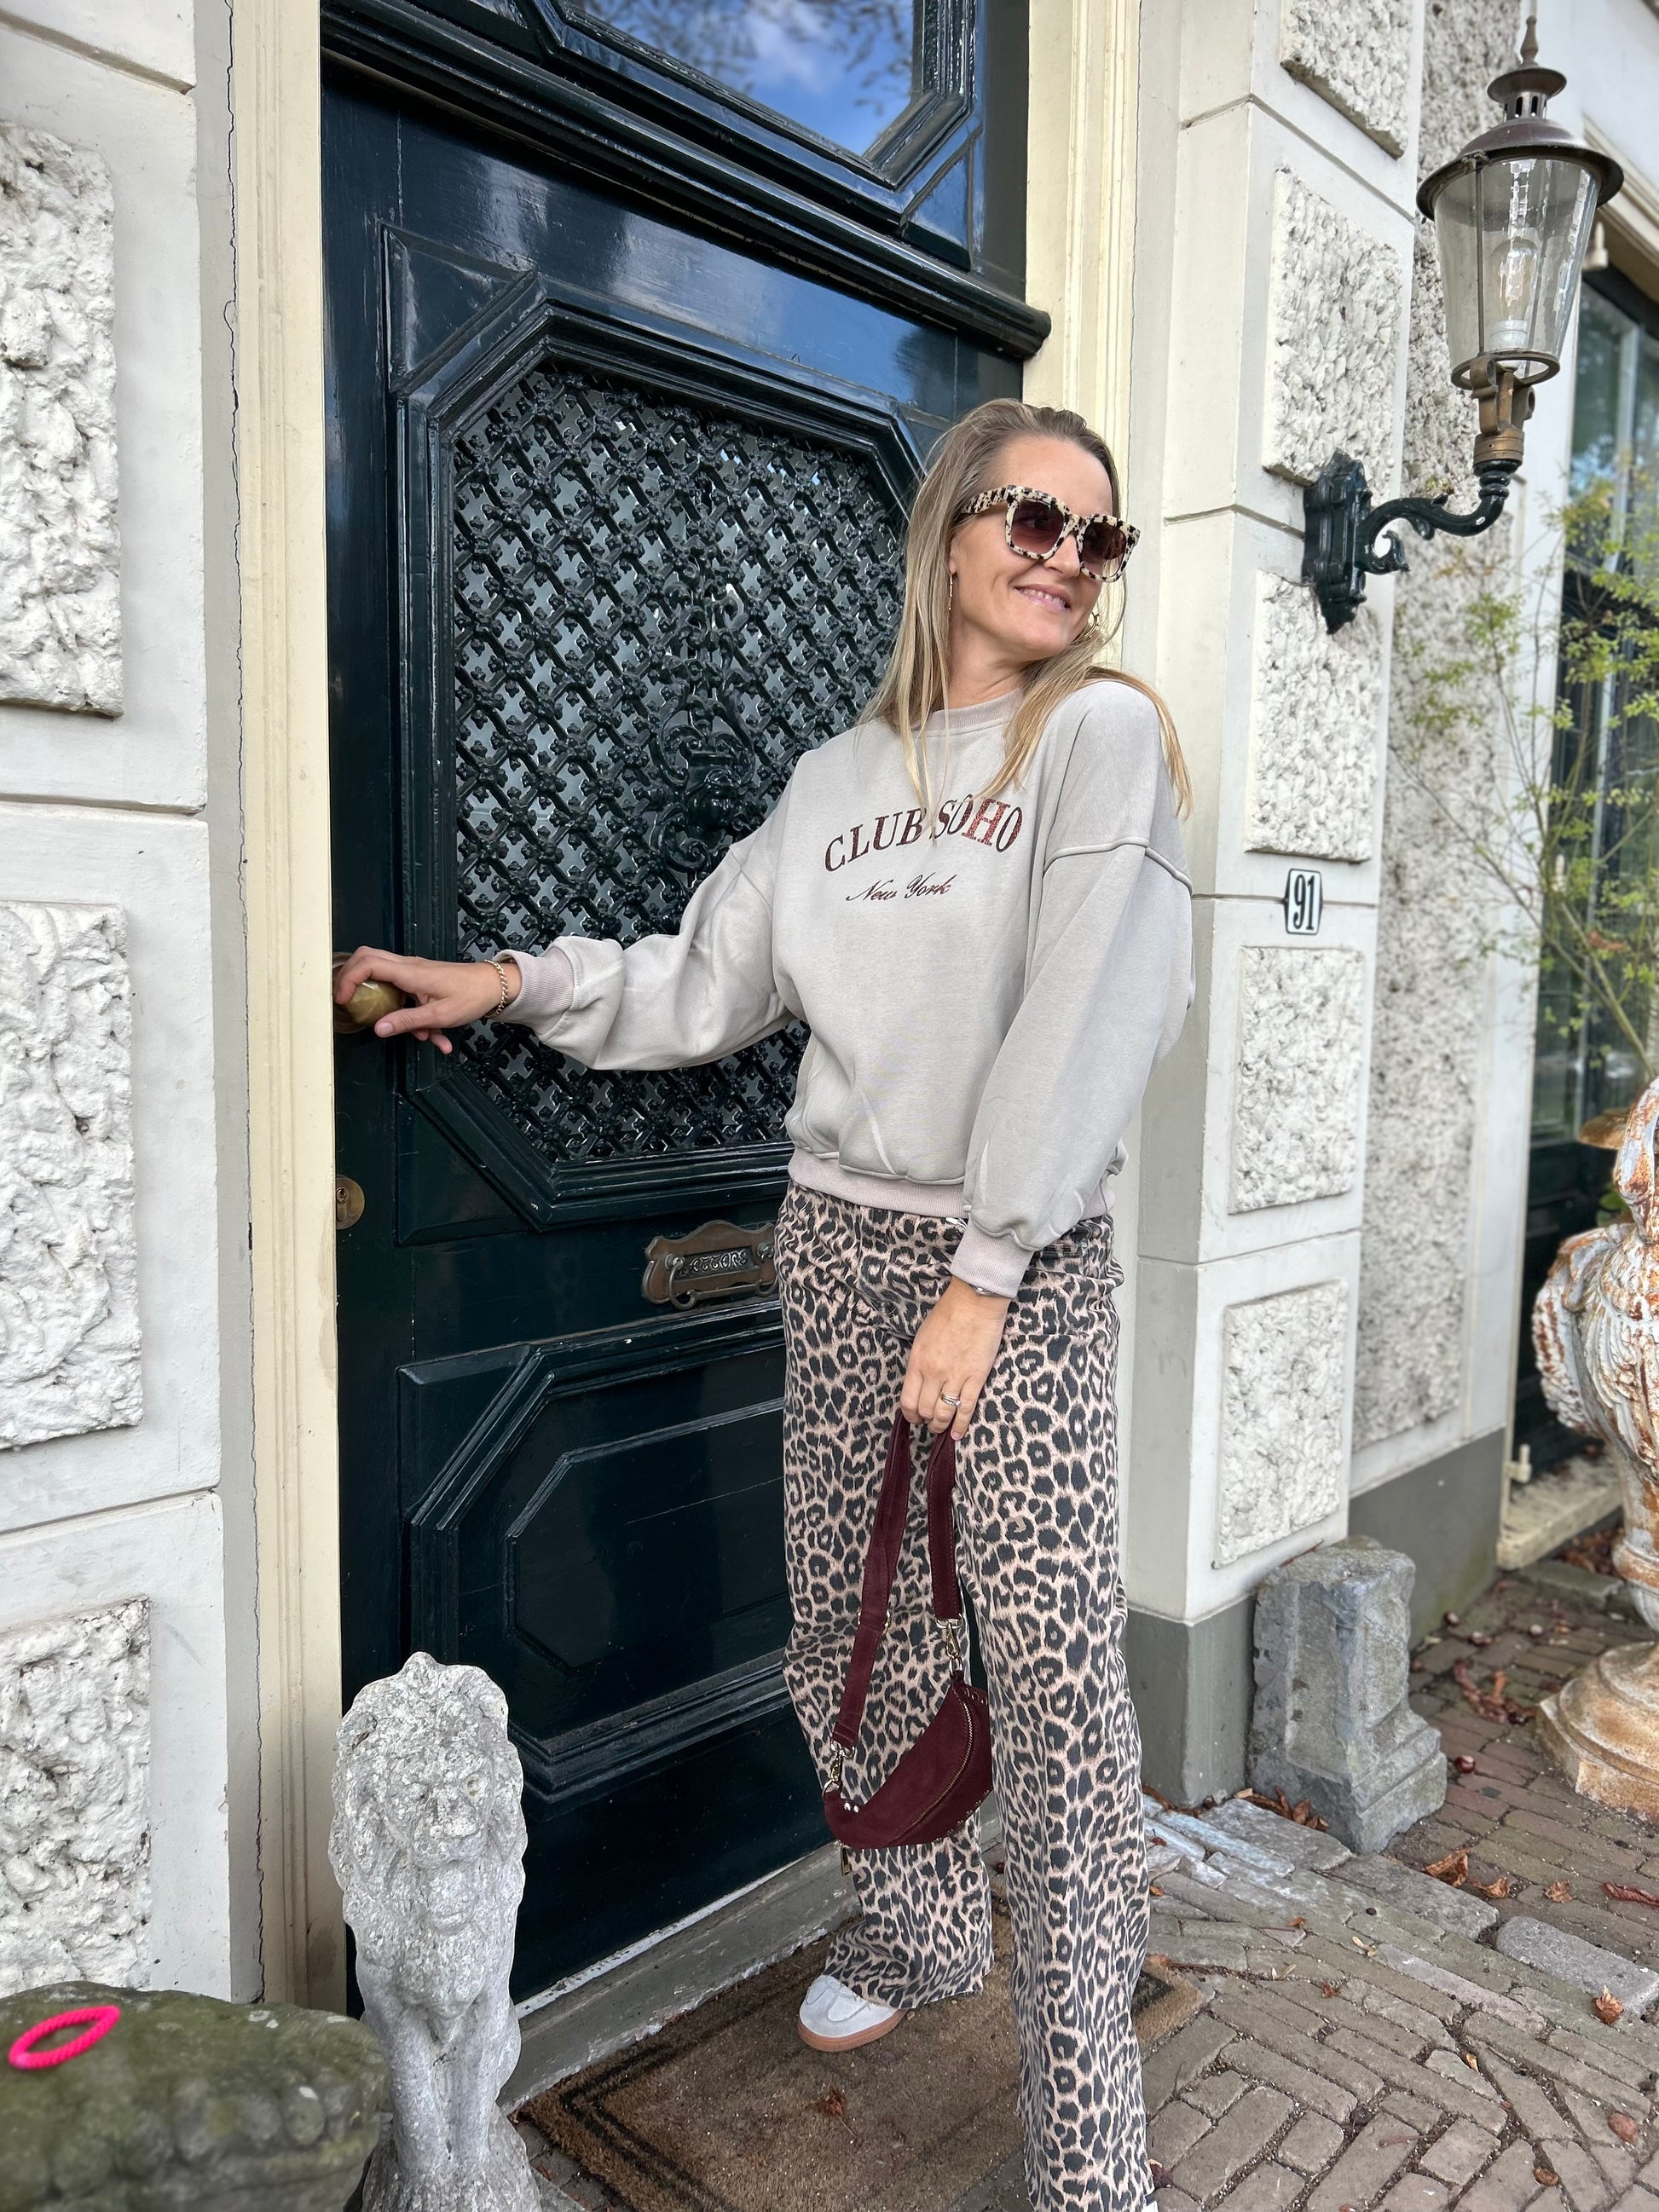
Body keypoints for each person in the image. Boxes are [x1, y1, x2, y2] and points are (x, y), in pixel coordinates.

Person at [335, 396, 1194, 2212]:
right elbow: (701, 983)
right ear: (950, 531)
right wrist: (505, 983)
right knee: (852, 1635)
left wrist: (984, 1275)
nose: (1063, 556)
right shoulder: (831, 783)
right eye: (1031, 517)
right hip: (840, 1244)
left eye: (1096, 535)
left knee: (1049, 1675)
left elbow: (1090, 1017)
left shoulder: (1097, 737)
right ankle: (913, 1925)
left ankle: (1090, 2128)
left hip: (1015, 1266)